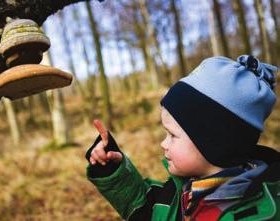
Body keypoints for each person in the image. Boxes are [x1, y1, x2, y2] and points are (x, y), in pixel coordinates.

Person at [85, 55, 280, 221]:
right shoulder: (180, 191)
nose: (163, 143)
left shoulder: (260, 214)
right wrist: (112, 169)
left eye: (173, 135)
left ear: (212, 143)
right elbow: (145, 208)